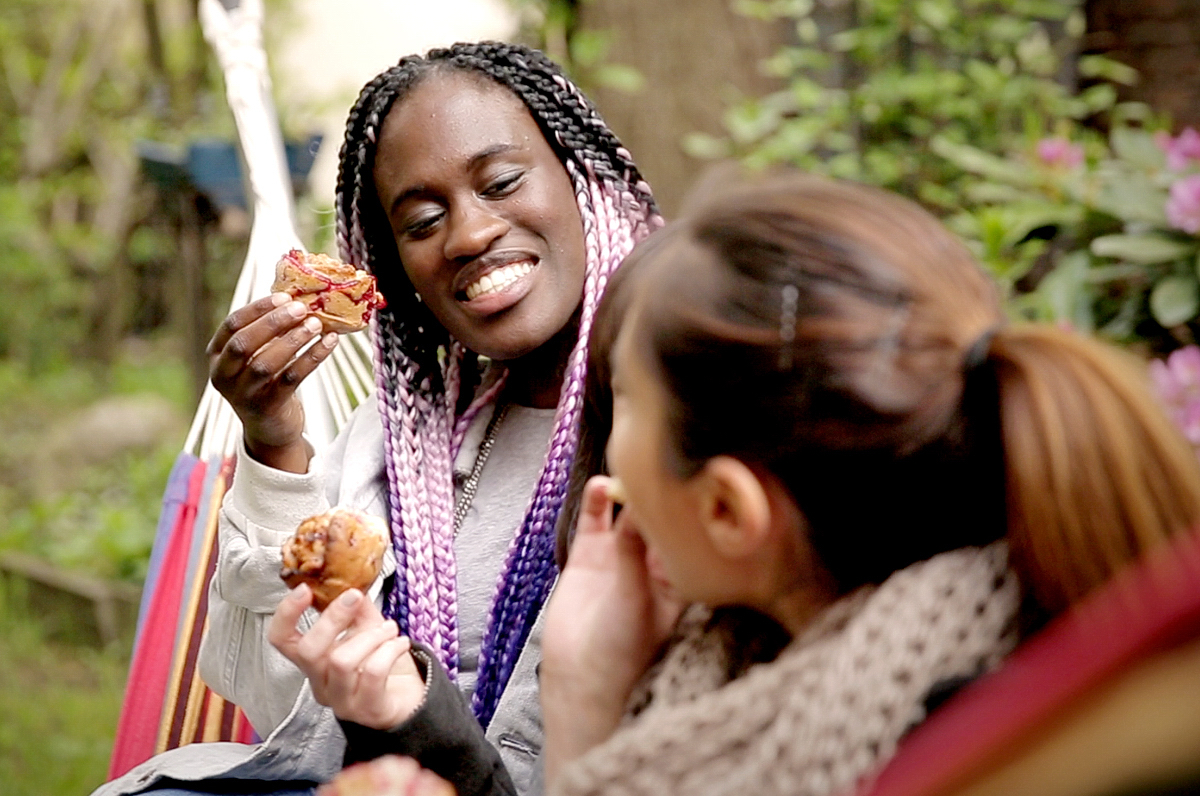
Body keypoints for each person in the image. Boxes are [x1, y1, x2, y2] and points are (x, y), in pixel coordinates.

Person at [314, 169, 1200, 796]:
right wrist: (583, 694)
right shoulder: (750, 662)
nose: (601, 462)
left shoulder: (971, 748)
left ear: (728, 510)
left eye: (619, 412)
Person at [92, 41, 659, 796]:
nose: (467, 235)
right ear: (395, 272)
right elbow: (283, 708)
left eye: (501, 182)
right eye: (422, 221)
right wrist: (274, 438)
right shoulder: (405, 443)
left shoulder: (685, 431)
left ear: (581, 177)